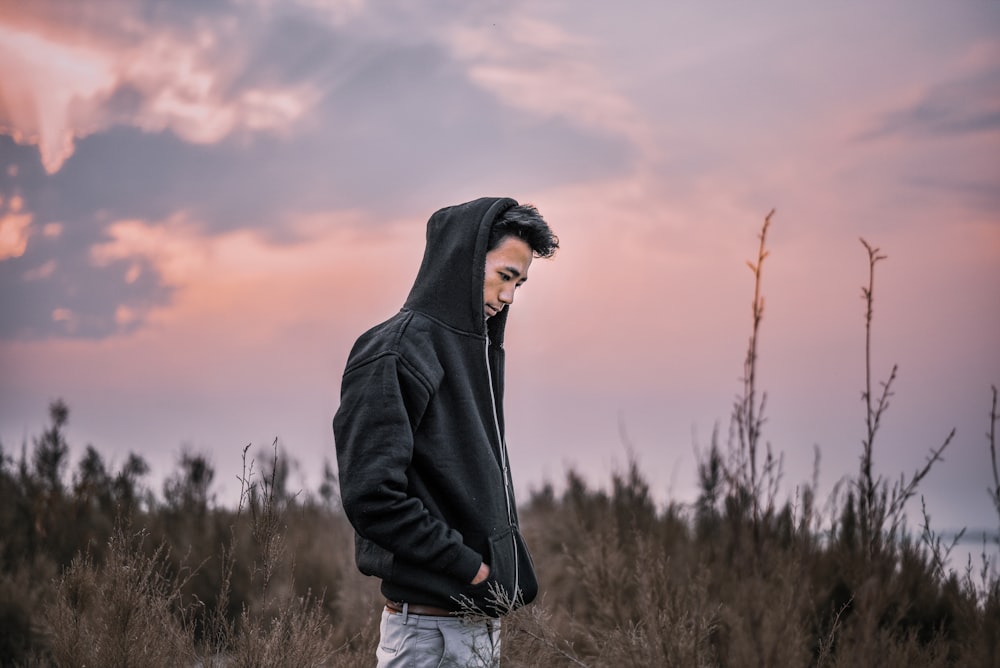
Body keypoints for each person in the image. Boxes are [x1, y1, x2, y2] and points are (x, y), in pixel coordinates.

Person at [333, 197, 559, 667]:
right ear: (464, 262)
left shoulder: (475, 356)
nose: (509, 297)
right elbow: (372, 497)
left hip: (475, 628)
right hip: (427, 634)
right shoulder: (394, 352)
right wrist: (468, 568)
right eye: (503, 277)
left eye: (519, 283)